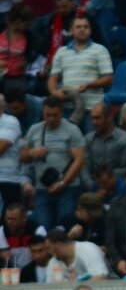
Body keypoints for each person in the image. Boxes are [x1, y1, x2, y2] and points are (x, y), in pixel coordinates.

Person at [21, 96, 86, 232]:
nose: (51, 118)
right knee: (43, 228)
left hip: (67, 188)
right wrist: (32, 153)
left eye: (55, 115)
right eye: (47, 114)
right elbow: (23, 157)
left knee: (64, 228)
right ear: (43, 112)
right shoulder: (34, 130)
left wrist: (63, 183)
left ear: (62, 113)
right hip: (42, 188)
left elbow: (79, 160)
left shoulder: (71, 130)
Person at [48, 14, 113, 127]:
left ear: (90, 30)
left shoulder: (100, 50)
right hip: (68, 107)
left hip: (92, 109)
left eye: (86, 27)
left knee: (92, 143)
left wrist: (89, 85)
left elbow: (109, 78)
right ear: (71, 31)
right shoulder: (61, 52)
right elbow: (53, 78)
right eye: (78, 27)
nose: (82, 29)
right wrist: (54, 92)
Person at [0, 203, 45, 270]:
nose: (9, 222)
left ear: (24, 218)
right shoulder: (2, 231)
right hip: (13, 270)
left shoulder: (37, 230)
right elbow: (6, 258)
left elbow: (41, 255)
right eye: (7, 218)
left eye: (13, 219)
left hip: (33, 269)